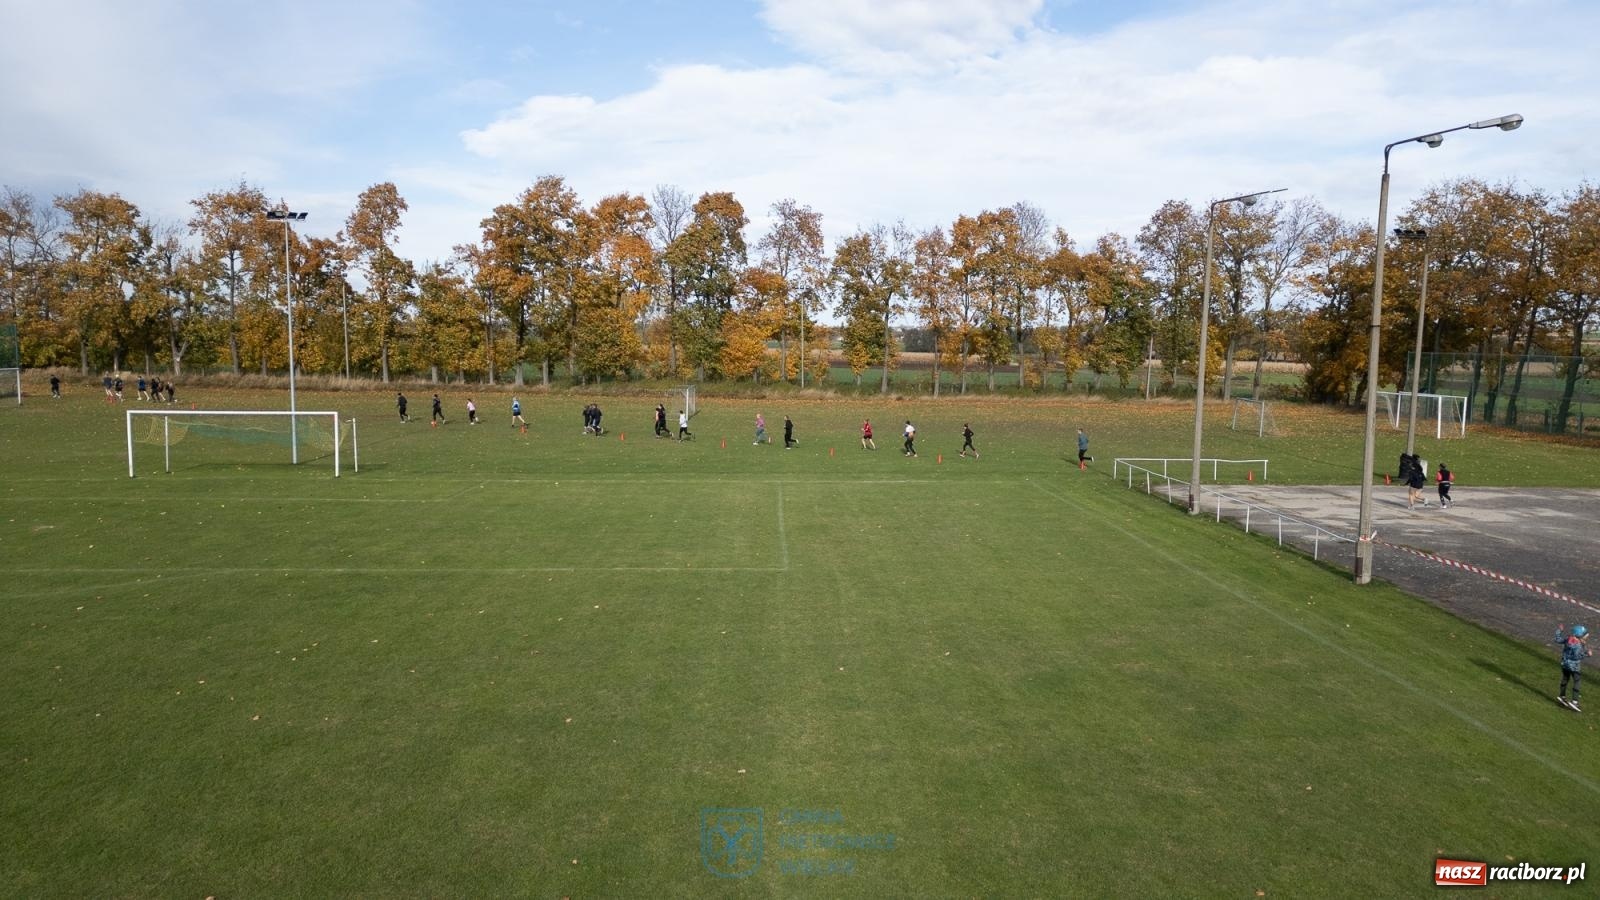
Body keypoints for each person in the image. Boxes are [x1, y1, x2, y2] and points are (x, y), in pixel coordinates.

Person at [1554, 624, 1591, 711]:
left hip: (1564, 664)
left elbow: (1557, 639)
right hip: (1574, 667)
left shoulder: (1568, 639)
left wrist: (1559, 630)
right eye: (1585, 635)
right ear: (1580, 635)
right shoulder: (1578, 646)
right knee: (1577, 681)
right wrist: (1587, 654)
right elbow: (1577, 656)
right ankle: (1574, 702)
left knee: (1565, 679)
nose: (1586, 637)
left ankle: (1562, 696)